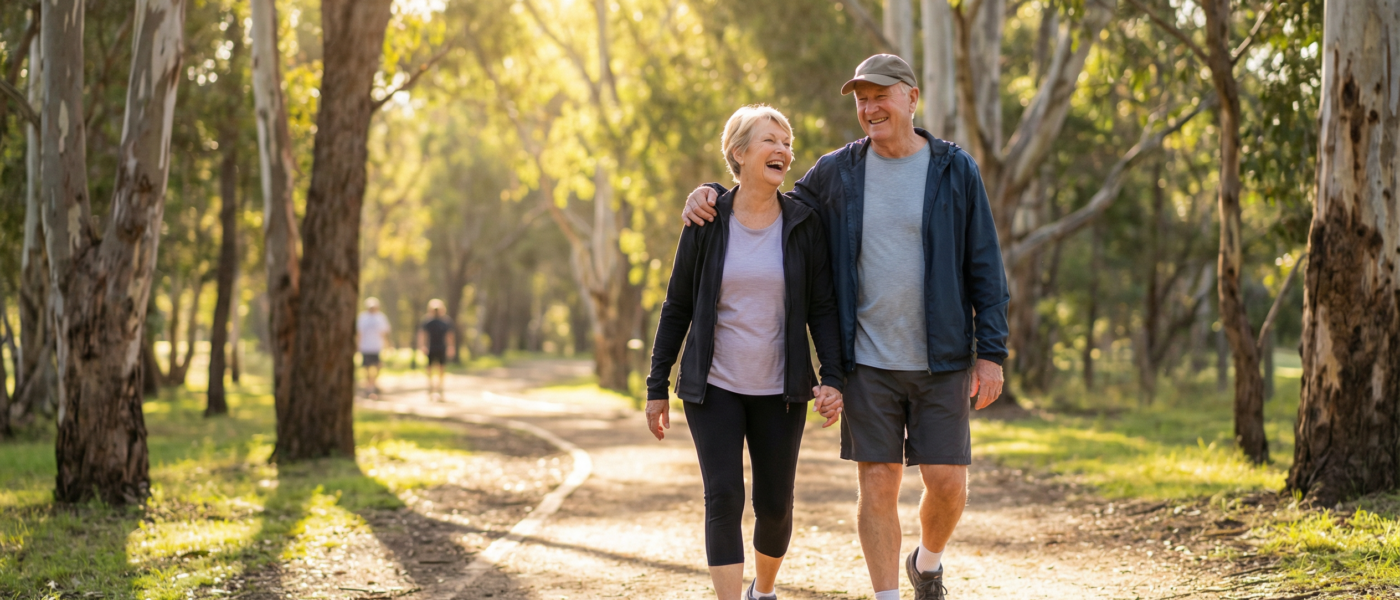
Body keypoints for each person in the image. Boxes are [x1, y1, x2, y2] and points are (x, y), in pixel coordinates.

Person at [683, 55, 1009, 600]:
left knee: (947, 483)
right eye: (861, 98)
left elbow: (985, 263)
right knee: (878, 484)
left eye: (881, 95)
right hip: (868, 361)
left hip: (942, 356)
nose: (870, 107)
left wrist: (991, 352)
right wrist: (711, 192)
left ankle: (926, 564)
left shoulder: (955, 170)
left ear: (911, 97)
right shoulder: (839, 171)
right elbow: (768, 200)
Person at [647, 105, 846, 600]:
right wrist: (656, 388)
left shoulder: (804, 223)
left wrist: (833, 377)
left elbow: (821, 308)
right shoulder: (706, 218)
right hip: (713, 386)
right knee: (725, 496)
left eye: (787, 143)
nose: (783, 150)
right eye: (770, 141)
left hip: (780, 389)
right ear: (738, 153)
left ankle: (765, 590)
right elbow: (677, 306)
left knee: (775, 504)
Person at [417, 299, 455, 400]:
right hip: (431, 348)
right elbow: (422, 334)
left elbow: (449, 335)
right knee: (429, 368)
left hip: (441, 347)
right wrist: (422, 346)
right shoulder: (427, 321)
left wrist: (451, 347)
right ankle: (430, 386)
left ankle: (440, 387)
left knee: (441, 368)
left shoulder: (446, 321)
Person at [356, 297, 392, 399]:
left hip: (377, 346)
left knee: (378, 366)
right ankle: (369, 386)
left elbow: (384, 333)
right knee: (366, 367)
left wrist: (387, 345)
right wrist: (358, 345)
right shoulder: (362, 317)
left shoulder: (381, 317)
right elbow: (359, 333)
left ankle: (373, 383)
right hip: (366, 347)